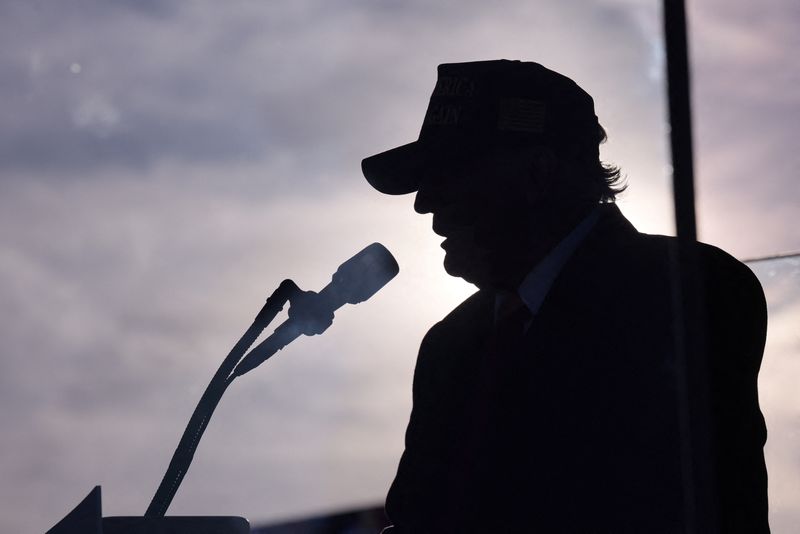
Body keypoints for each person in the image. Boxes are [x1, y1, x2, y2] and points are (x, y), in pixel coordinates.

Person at [362, 60, 769, 533]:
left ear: (537, 174)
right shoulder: (449, 346)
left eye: (452, 175)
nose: (424, 202)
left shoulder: (687, 290)